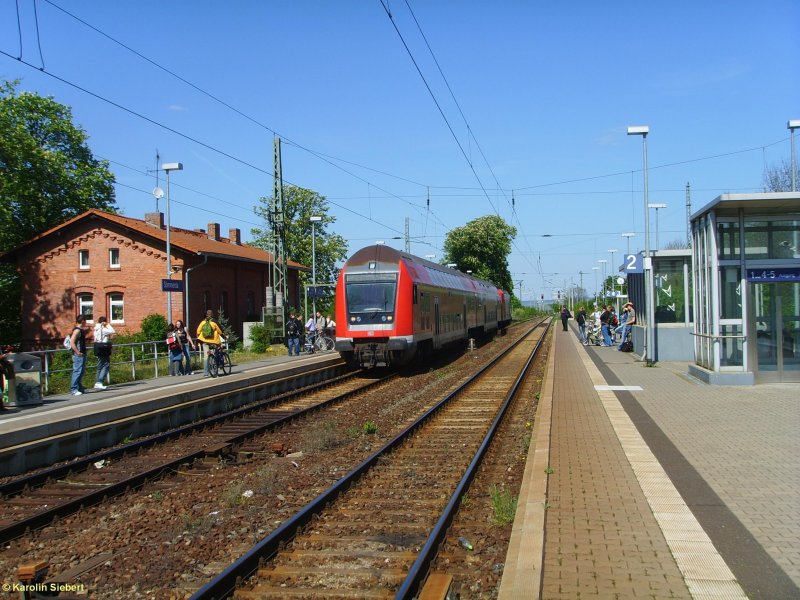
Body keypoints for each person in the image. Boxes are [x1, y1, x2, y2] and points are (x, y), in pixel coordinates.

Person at [196, 310, 227, 377]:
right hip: (214, 341)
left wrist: (200, 340)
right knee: (217, 353)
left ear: (206, 315)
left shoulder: (202, 322)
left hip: (205, 341)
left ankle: (206, 373)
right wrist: (224, 337)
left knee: (206, 357)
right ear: (212, 315)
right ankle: (217, 369)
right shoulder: (214, 322)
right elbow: (220, 332)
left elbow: (198, 331)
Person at [69, 315, 89, 396]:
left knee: (81, 371)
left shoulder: (80, 330)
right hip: (78, 354)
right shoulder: (77, 330)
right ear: (83, 321)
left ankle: (79, 387)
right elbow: (72, 342)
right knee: (77, 371)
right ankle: (74, 389)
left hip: (82, 353)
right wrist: (77, 352)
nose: (86, 323)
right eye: (85, 321)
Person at [93, 316, 115, 389]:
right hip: (103, 348)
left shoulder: (95, 329)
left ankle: (97, 382)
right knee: (106, 365)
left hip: (97, 348)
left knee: (99, 366)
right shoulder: (103, 329)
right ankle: (99, 381)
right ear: (104, 322)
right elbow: (112, 331)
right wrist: (107, 325)